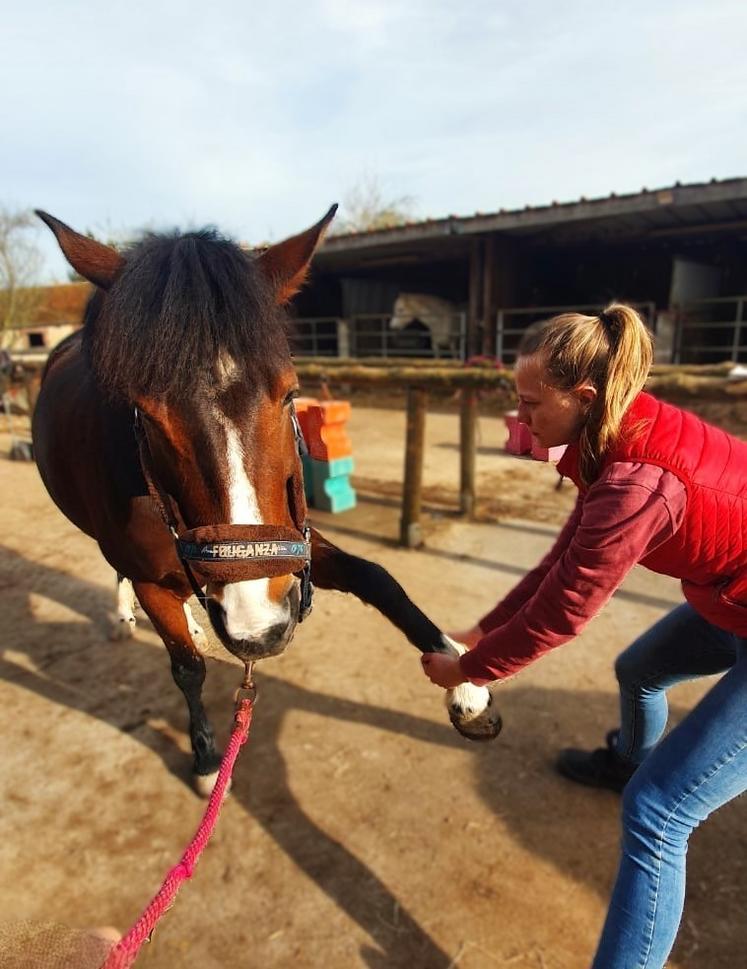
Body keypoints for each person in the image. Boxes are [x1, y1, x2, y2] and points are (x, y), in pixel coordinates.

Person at [421, 303, 747, 969]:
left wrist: (469, 670)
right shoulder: (612, 436)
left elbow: (562, 612)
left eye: (531, 404)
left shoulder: (636, 481)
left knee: (657, 814)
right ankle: (627, 760)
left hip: (736, 599)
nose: (521, 419)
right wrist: (481, 631)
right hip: (732, 598)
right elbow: (560, 562)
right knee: (639, 670)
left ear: (584, 397)